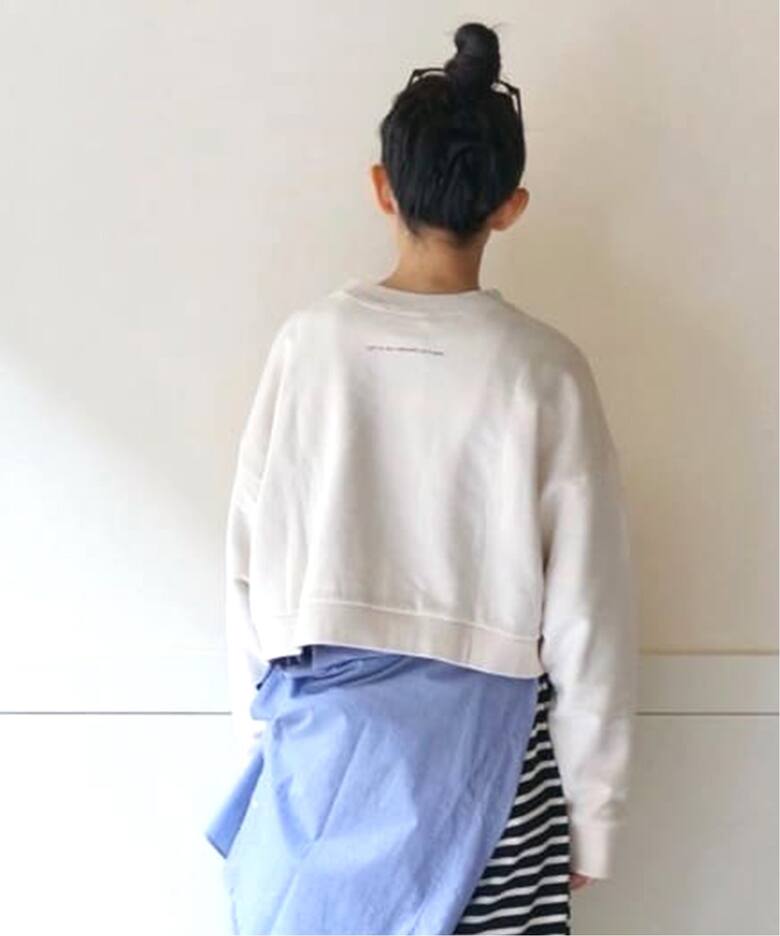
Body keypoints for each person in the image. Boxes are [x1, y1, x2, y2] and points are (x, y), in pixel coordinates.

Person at [203, 20, 639, 936]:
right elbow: (590, 619)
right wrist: (592, 818)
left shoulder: (309, 348)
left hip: (322, 761)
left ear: (382, 187)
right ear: (510, 206)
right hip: (494, 782)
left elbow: (246, 565)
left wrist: (265, 741)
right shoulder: (545, 370)